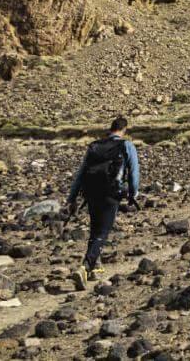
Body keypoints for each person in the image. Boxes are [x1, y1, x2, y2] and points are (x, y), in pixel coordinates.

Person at [65, 115, 140, 288]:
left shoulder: (95, 146)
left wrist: (71, 199)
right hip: (111, 193)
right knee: (102, 232)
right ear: (124, 129)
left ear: (110, 129)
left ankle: (94, 267)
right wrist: (133, 193)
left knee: (94, 229)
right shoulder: (126, 145)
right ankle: (84, 267)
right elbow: (134, 172)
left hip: (91, 193)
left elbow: (80, 174)